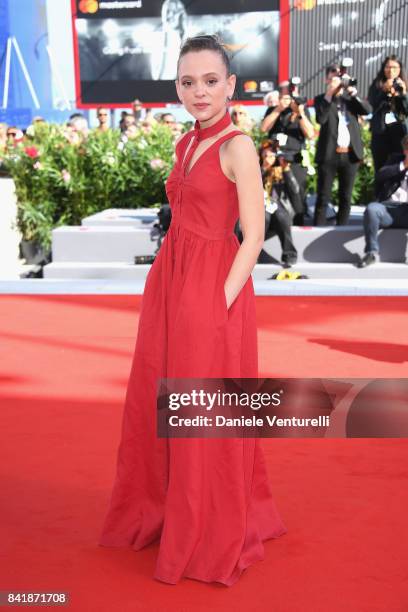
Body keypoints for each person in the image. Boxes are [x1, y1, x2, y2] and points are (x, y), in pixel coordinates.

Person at [98, 33, 287, 587]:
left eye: (210, 81)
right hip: (171, 281)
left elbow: (252, 237)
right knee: (160, 401)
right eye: (187, 82)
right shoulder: (186, 143)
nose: (198, 92)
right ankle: (165, 508)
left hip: (212, 289)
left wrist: (216, 304)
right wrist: (167, 289)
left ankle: (208, 525)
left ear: (231, 85)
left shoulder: (238, 146)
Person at [313, 64, 372, 226]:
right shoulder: (321, 99)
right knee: (323, 196)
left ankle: (341, 230)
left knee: (345, 197)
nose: (337, 80)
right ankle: (317, 231)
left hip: (350, 155)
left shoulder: (349, 100)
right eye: (333, 77)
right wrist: (330, 94)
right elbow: (321, 119)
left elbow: (367, 110)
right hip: (329, 154)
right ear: (327, 79)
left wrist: (353, 93)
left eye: (339, 77)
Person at [261, 81, 315, 225]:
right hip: (274, 159)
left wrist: (300, 112)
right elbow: (264, 128)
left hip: (295, 159)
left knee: (297, 195)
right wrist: (278, 109)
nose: (290, 97)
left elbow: (310, 134)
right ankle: (272, 224)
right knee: (273, 194)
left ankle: (298, 224)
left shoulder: (301, 110)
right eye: (287, 93)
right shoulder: (274, 109)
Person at [358, 134, 408, 268]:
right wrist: (403, 165)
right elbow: (380, 175)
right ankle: (371, 253)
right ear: (405, 150)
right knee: (372, 209)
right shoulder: (395, 160)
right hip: (388, 209)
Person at [368, 55, 408, 189]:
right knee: (380, 168)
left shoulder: (403, 85)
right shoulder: (377, 85)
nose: (390, 70)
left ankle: (398, 199)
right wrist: (384, 91)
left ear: (399, 69)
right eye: (388, 67)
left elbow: (406, 110)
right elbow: (372, 104)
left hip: (399, 135)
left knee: (398, 167)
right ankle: (379, 201)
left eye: (394, 67)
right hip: (380, 134)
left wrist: (402, 95)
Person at [259, 139, 300, 266]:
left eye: (271, 156)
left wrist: (286, 170)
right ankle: (253, 254)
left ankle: (289, 255)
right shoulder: (255, 169)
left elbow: (295, 190)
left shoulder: (282, 171)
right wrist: (263, 169)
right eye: (265, 155)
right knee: (263, 217)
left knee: (281, 215)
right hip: (260, 208)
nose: (268, 158)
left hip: (278, 207)